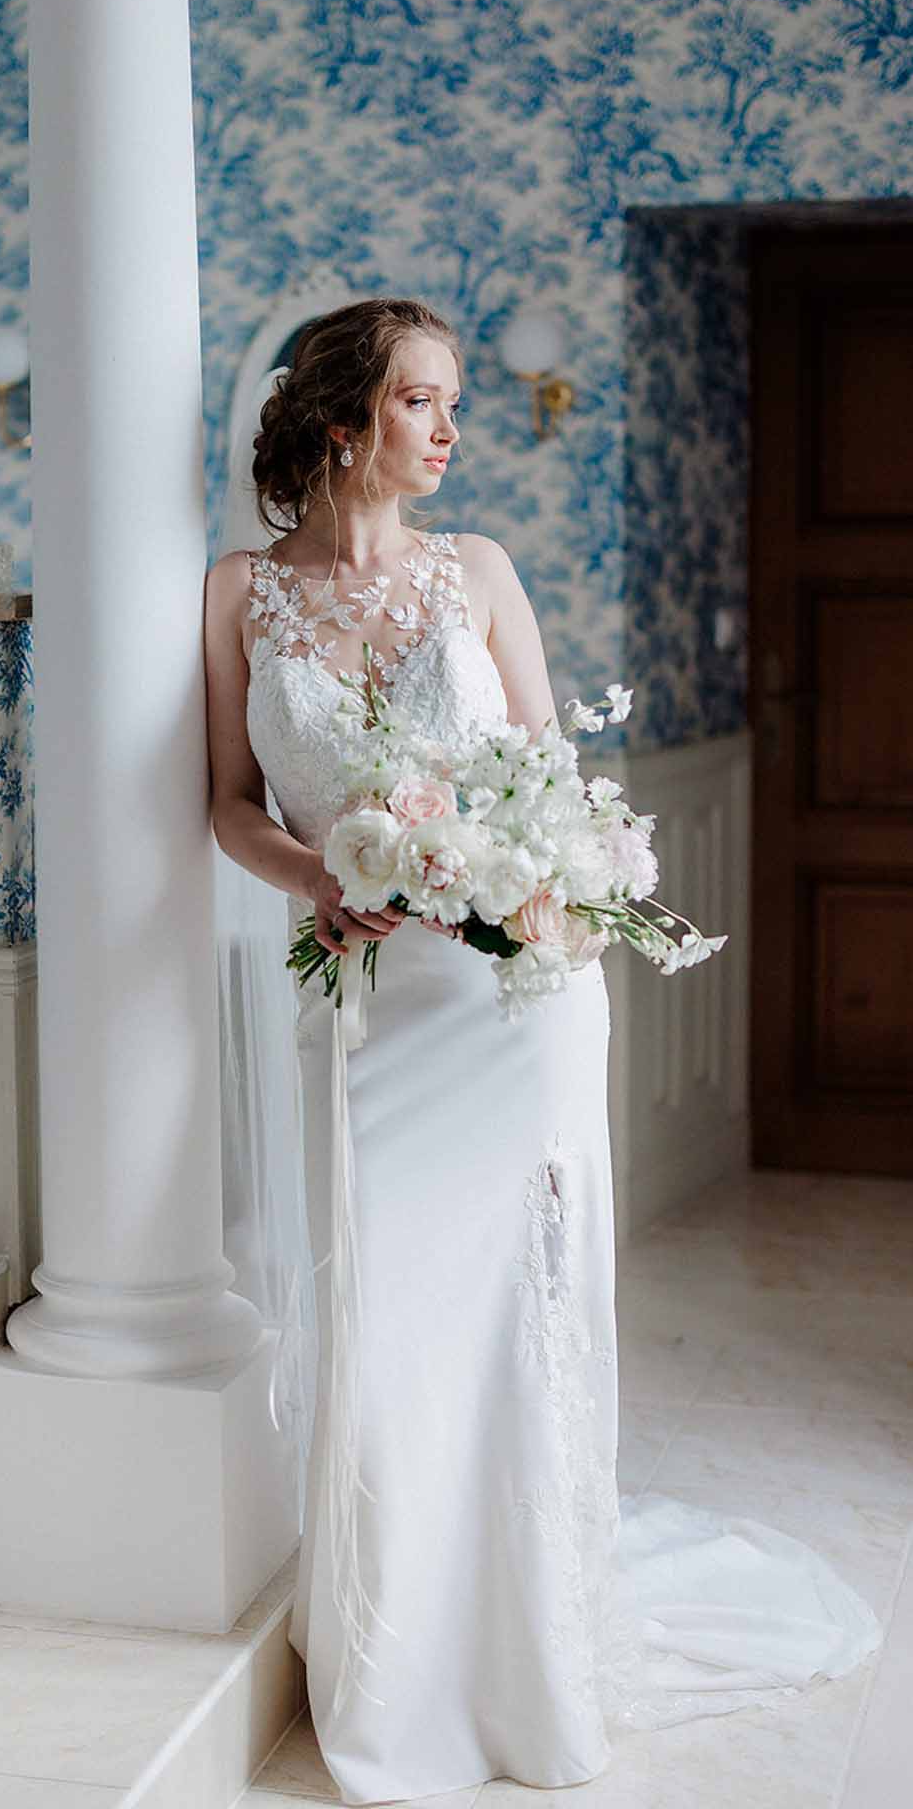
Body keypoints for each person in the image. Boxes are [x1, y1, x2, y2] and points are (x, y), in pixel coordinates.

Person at [202, 296, 882, 1804]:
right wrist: (321, 875)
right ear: (341, 422)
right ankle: (397, 1639)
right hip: (367, 1011)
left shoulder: (478, 573)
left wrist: (530, 892)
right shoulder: (240, 593)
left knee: (511, 1307)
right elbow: (228, 802)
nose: (449, 432)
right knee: (383, 1316)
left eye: (453, 404)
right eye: (422, 404)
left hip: (511, 1003)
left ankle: (523, 1647)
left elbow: (547, 784)